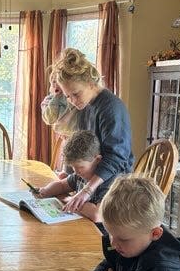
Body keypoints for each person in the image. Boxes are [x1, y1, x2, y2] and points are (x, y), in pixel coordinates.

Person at [52, 48, 133, 213]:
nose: (73, 101)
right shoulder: (85, 105)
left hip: (114, 185)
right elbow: (80, 147)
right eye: (68, 96)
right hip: (91, 177)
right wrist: (68, 174)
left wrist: (86, 190)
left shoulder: (111, 108)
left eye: (76, 94)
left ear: (90, 83)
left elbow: (116, 158)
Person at [37, 130, 103, 223]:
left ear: (97, 159)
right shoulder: (80, 175)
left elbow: (97, 215)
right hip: (80, 223)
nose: (76, 171)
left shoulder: (106, 182)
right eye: (73, 166)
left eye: (80, 167)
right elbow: (62, 185)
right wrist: (45, 190)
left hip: (98, 234)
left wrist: (70, 200)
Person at [41, 69, 79, 177]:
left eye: (59, 81)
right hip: (66, 137)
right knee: (67, 167)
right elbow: (49, 119)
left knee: (76, 167)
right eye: (53, 82)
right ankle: (67, 179)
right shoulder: (49, 100)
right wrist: (56, 98)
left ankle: (71, 180)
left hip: (77, 135)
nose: (56, 84)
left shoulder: (73, 97)